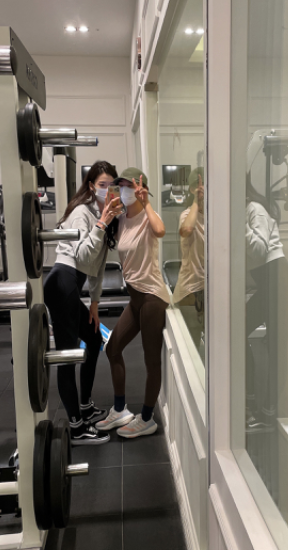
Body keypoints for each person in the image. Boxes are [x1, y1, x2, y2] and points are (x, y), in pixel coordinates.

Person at [44, 161, 123, 445]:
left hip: (72, 286)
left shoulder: (103, 215)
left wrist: (95, 303)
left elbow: (97, 265)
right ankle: (76, 428)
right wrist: (101, 223)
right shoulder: (82, 213)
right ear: (91, 186)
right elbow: (82, 257)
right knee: (67, 357)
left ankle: (85, 406)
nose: (106, 190)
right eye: (102, 185)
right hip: (62, 282)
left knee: (93, 338)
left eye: (111, 186)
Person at [96, 167, 168, 439]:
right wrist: (107, 211)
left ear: (141, 189)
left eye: (130, 186)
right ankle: (119, 409)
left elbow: (160, 230)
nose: (125, 190)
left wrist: (147, 203)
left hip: (151, 298)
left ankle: (147, 419)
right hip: (135, 298)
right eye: (122, 185)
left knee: (151, 361)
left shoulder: (149, 217)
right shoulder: (122, 219)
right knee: (113, 348)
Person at [172, 167, 205, 348]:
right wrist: (196, 201)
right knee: (190, 347)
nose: (204, 188)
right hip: (191, 290)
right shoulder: (187, 215)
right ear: (192, 189)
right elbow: (186, 230)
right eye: (200, 185)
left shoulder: (217, 217)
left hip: (210, 289)